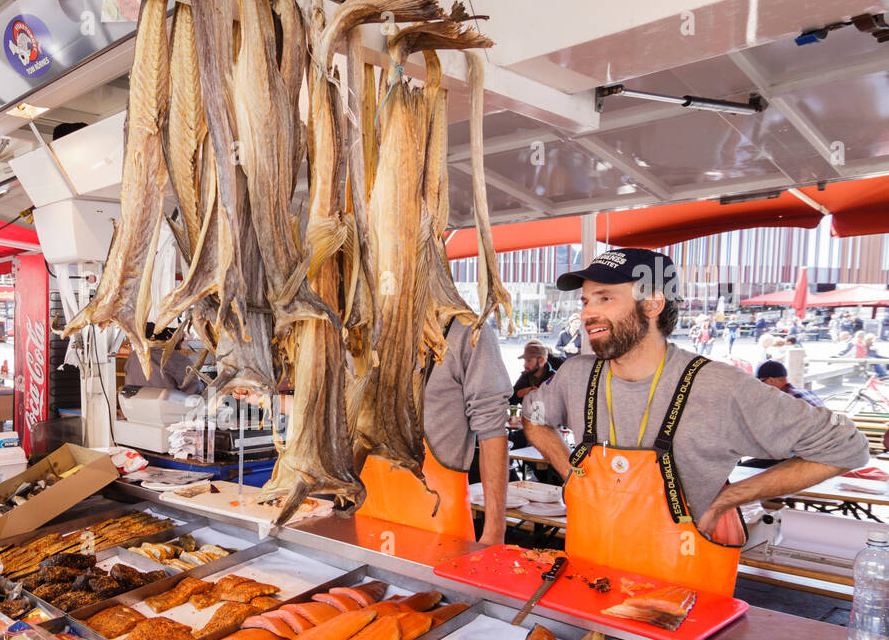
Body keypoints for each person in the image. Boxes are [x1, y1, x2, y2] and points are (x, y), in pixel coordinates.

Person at [522, 248, 867, 598]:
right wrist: (569, 471)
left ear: (653, 304)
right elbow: (532, 417)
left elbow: (848, 447)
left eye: (605, 298)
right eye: (584, 301)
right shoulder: (574, 375)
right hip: (587, 584)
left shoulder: (719, 386)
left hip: (677, 600)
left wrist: (730, 497)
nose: (587, 313)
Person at [357, 316, 512, 545]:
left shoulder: (468, 333)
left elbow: (492, 429)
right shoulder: (367, 329)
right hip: (369, 521)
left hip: (439, 535)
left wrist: (494, 532)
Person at [122, 322, 204, 396]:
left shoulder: (133, 357)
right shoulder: (177, 360)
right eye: (180, 336)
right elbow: (193, 392)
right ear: (169, 338)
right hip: (171, 410)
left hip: (137, 411)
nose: (183, 338)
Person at [756, 359, 824, 407]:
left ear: (771, 380)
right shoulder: (807, 392)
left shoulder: (784, 401)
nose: (758, 386)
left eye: (759, 382)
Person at [510, 340, 555, 405]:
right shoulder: (525, 376)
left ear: (541, 360)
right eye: (524, 360)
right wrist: (523, 392)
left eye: (529, 361)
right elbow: (510, 399)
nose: (525, 365)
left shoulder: (554, 378)